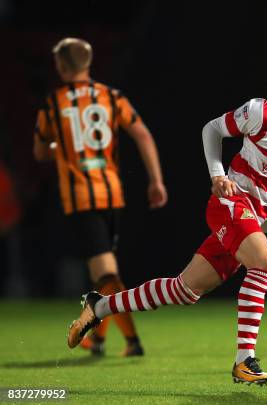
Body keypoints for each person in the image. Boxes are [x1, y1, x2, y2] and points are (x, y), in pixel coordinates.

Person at [66, 58, 267, 385]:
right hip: (232, 202)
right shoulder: (263, 113)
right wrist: (218, 176)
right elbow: (212, 129)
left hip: (262, 217)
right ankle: (244, 361)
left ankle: (99, 307)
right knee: (265, 264)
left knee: (185, 290)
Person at [34, 38, 167, 356]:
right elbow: (143, 134)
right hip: (113, 195)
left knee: (105, 274)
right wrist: (156, 181)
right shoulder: (111, 97)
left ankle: (132, 342)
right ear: (88, 64)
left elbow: (40, 152)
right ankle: (101, 339)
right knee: (106, 273)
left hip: (82, 198)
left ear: (61, 67)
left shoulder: (54, 104)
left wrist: (63, 149)